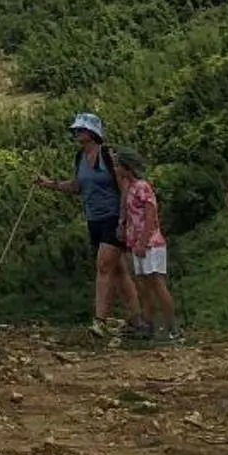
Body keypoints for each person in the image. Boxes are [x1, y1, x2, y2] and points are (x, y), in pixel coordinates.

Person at [34, 112, 137, 340]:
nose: (76, 133)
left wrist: (123, 220)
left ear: (92, 132)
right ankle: (136, 318)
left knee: (103, 267)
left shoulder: (108, 155)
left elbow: (125, 187)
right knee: (118, 270)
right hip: (94, 219)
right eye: (76, 130)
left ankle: (99, 321)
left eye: (80, 130)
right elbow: (78, 186)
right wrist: (49, 184)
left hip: (113, 217)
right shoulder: (80, 157)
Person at [112, 149, 180, 342]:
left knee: (157, 283)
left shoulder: (142, 187)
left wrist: (143, 241)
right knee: (142, 285)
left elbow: (151, 215)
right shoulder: (130, 187)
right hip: (136, 242)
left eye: (118, 165)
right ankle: (148, 324)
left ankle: (172, 326)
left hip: (150, 243)